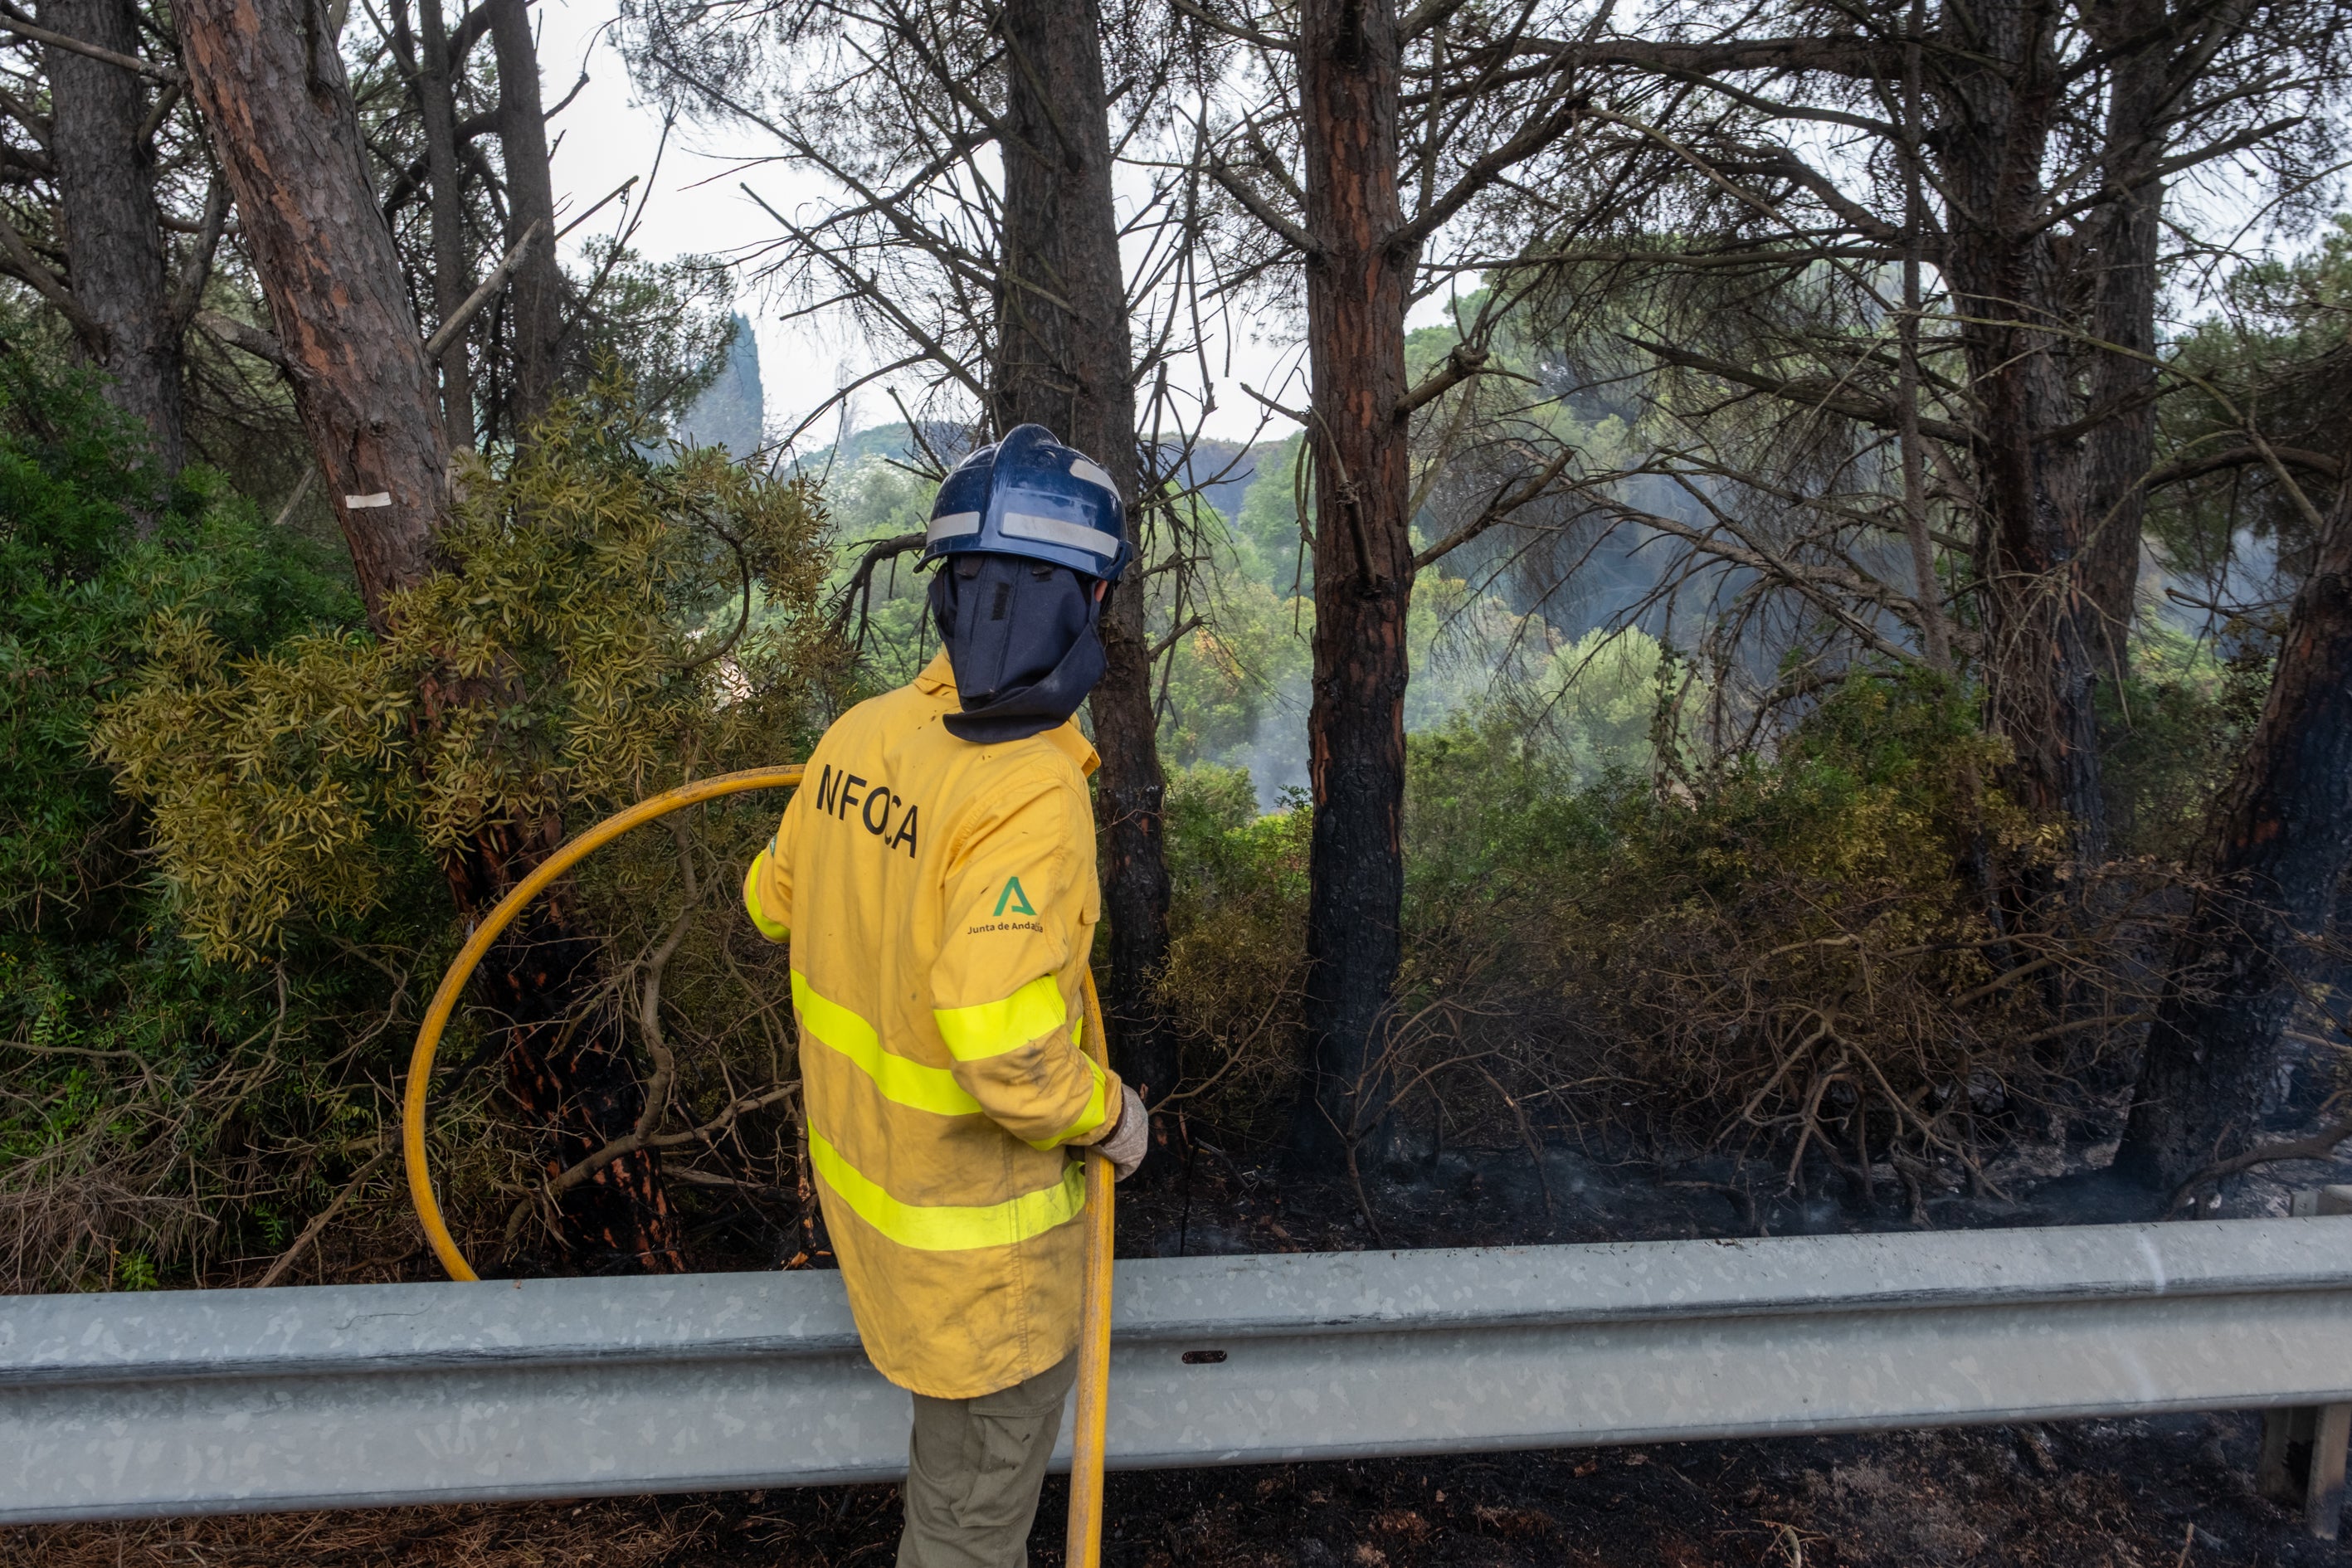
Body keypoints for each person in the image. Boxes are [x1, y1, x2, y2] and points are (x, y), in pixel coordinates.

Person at [742, 424, 1151, 1568]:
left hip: (876, 1218)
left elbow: (772, 900)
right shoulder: (1031, 793)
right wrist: (1113, 1116)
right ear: (1096, 597)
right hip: (986, 1280)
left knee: (952, 1500)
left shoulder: (861, 737)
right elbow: (1005, 1045)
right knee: (966, 1535)